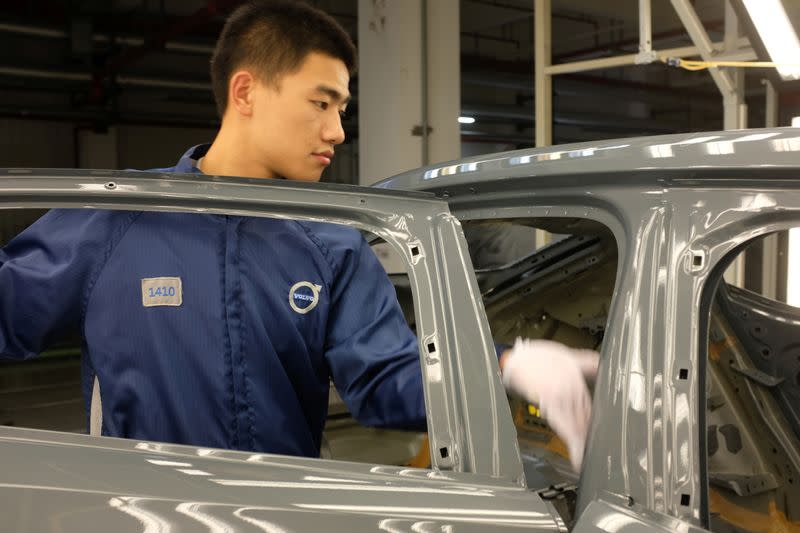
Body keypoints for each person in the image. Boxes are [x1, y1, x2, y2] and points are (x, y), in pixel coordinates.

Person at [0, 0, 596, 470]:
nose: (337, 131)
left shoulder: (329, 243)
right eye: (321, 103)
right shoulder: (119, 218)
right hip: (138, 516)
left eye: (342, 109)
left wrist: (504, 368)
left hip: (277, 514)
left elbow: (384, 381)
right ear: (246, 92)